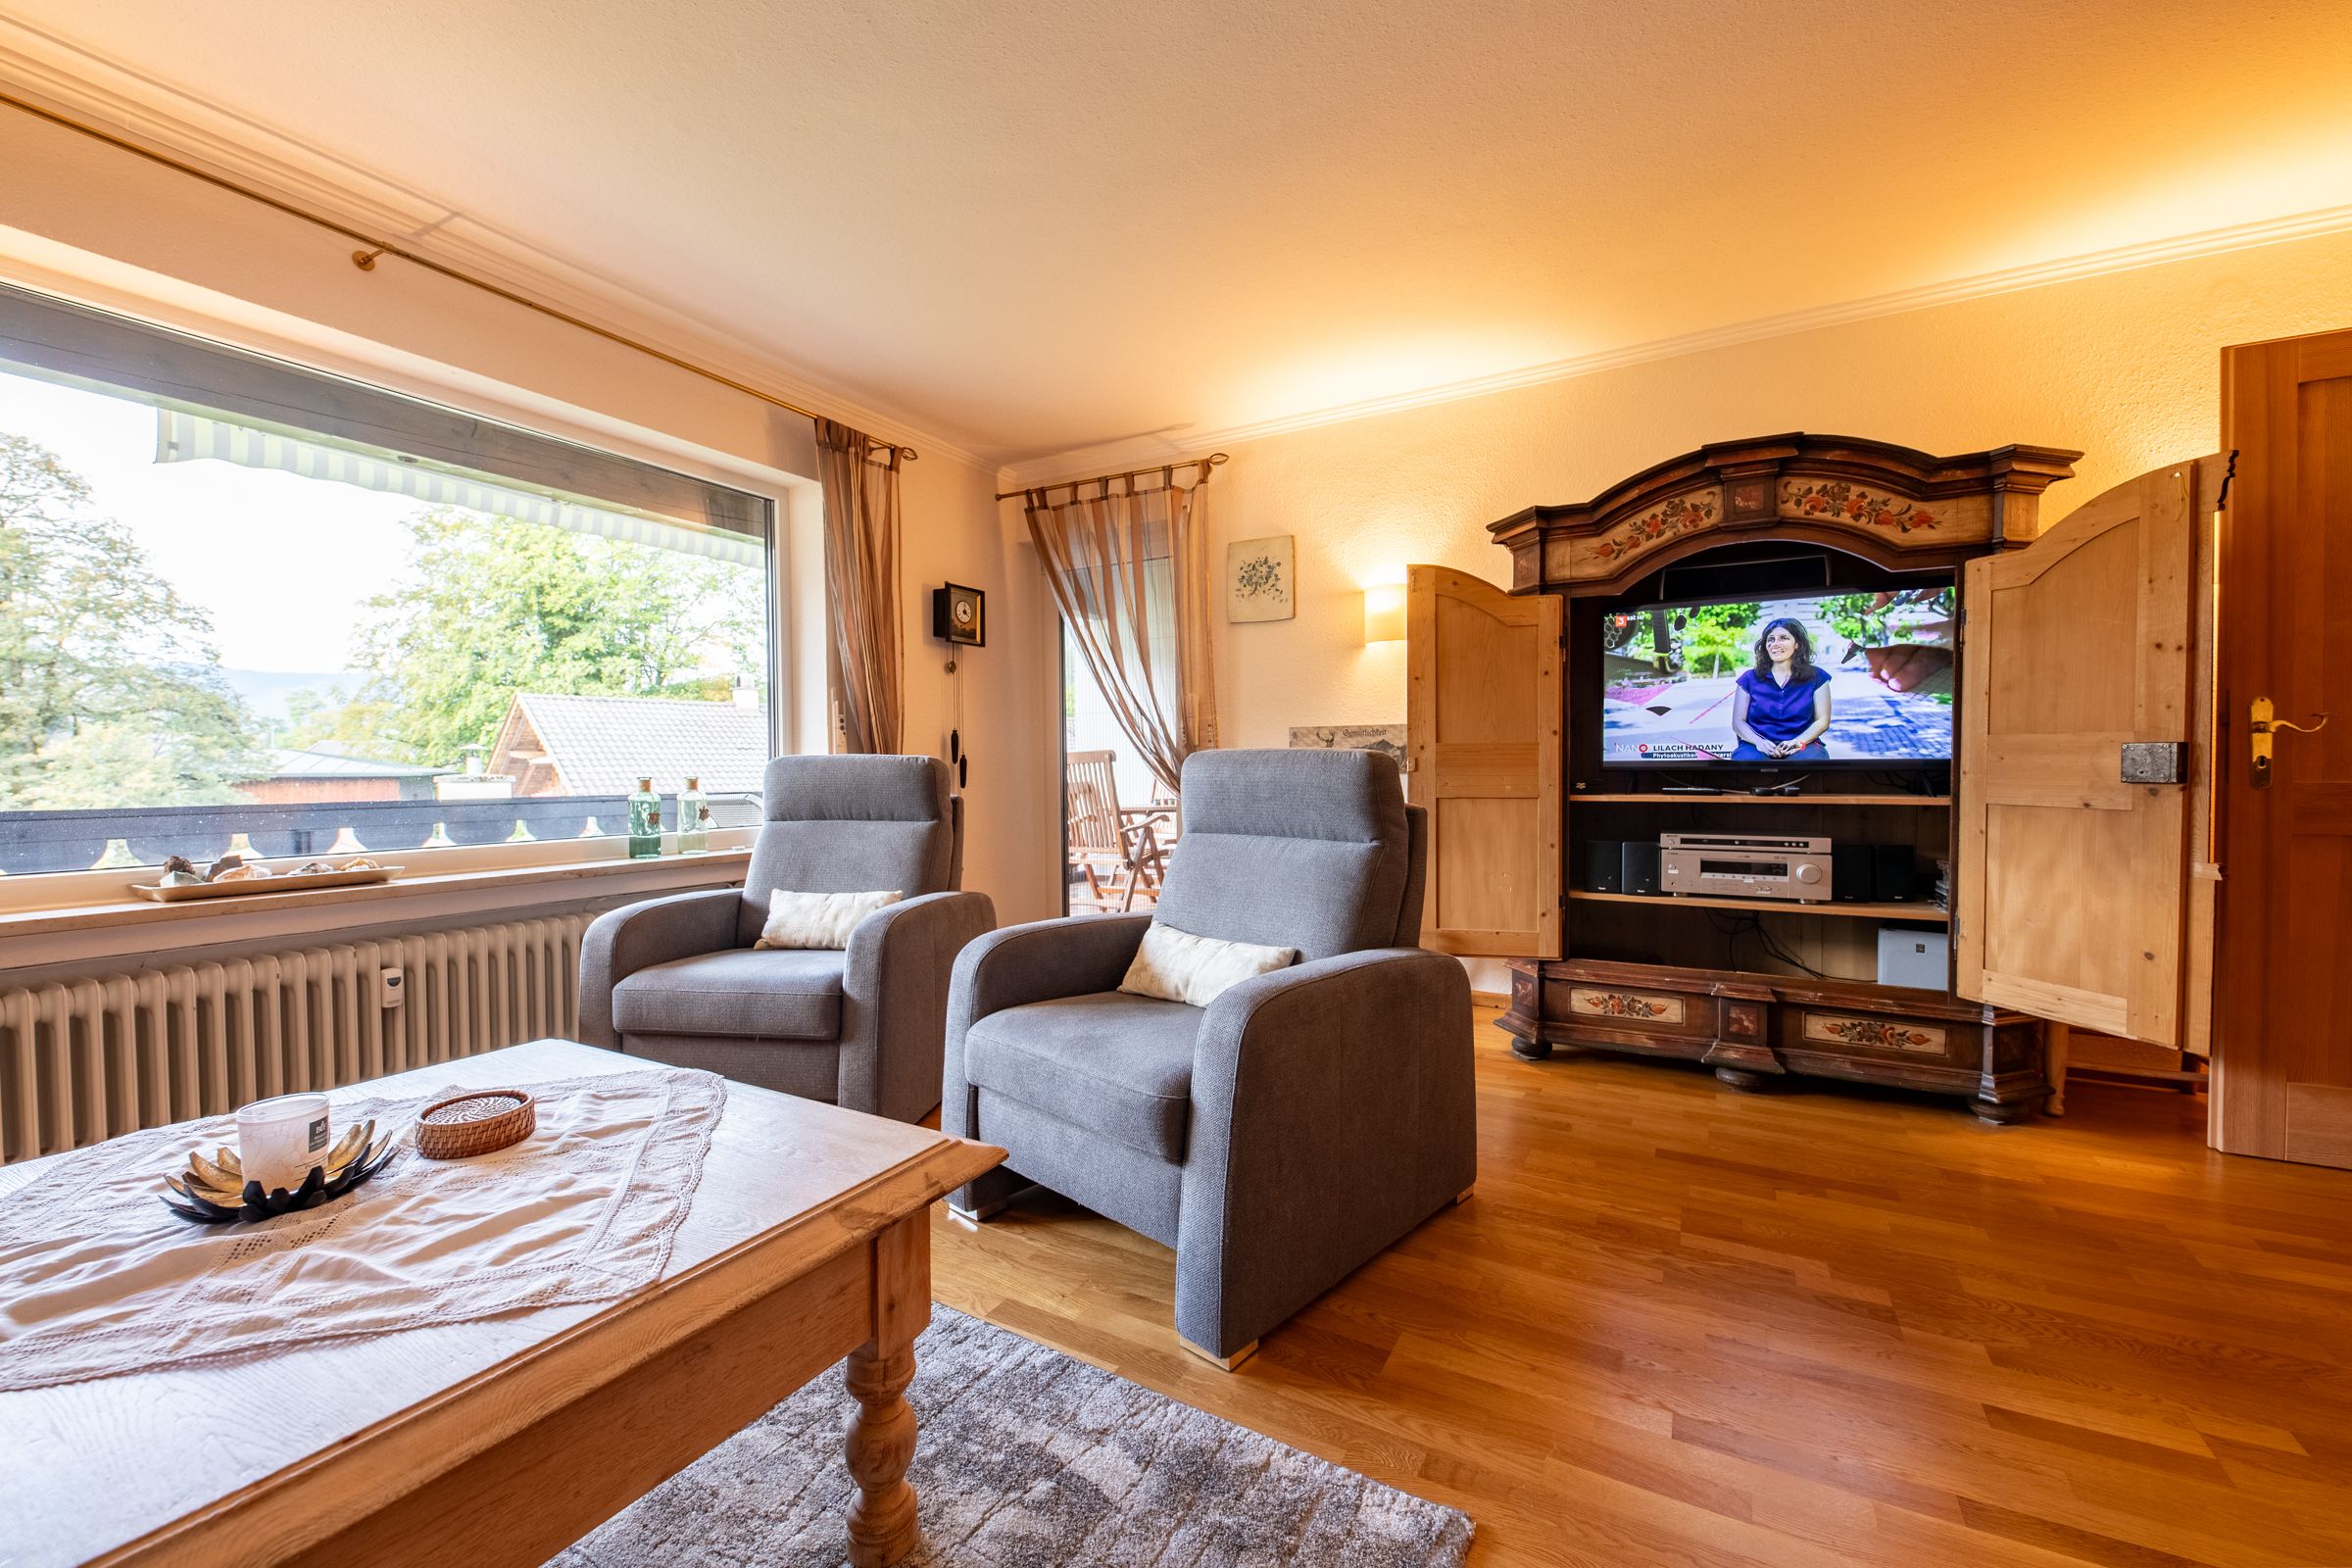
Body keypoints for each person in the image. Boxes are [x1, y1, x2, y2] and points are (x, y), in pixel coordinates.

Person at [1729, 617, 1832, 761]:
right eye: (1771, 640)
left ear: (1797, 644)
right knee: (1747, 760)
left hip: (1803, 743)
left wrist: (1798, 742)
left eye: (1784, 638)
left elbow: (1822, 721)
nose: (1775, 644)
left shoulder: (1818, 677)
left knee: (1811, 760)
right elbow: (1738, 722)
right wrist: (1759, 742)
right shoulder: (1748, 679)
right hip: (1756, 744)